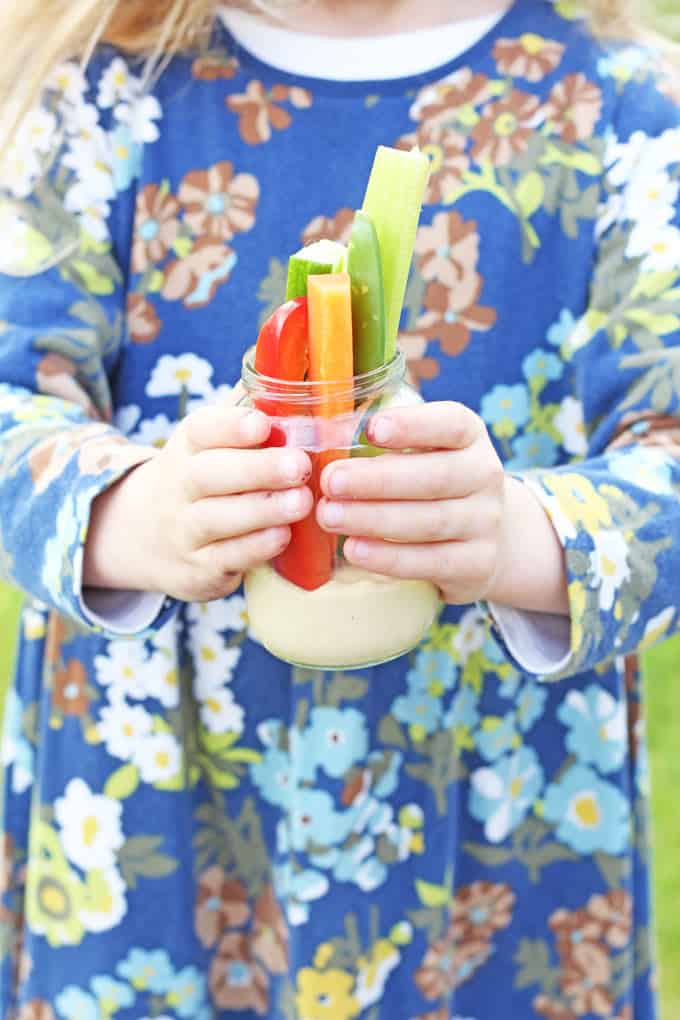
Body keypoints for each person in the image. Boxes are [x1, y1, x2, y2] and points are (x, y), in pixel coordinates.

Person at [0, 0, 678, 1015]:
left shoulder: (619, 107)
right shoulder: (107, 92)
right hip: (152, 844)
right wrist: (142, 513)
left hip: (496, 846)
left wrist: (510, 535)